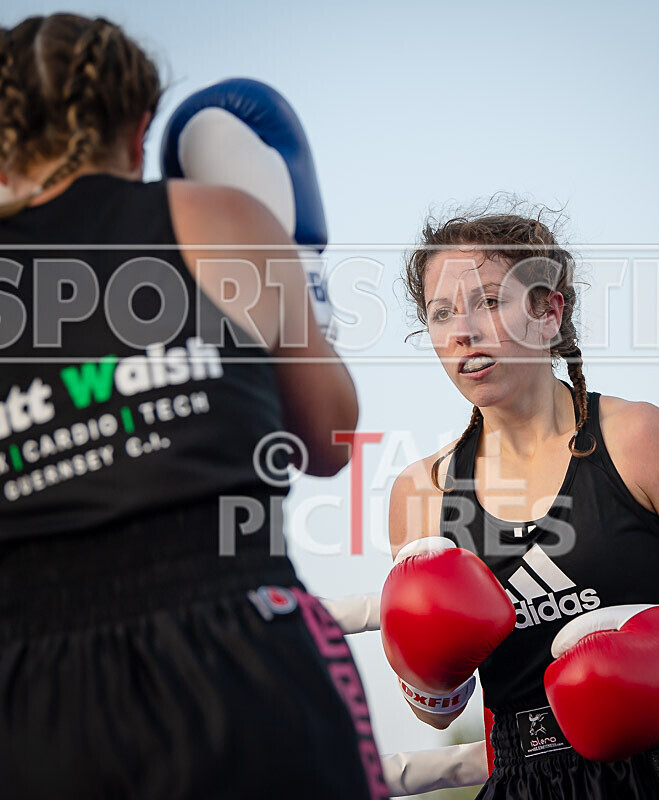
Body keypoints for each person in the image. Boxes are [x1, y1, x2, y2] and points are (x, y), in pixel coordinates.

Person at [0, 14, 386, 800]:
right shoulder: (216, 218)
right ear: (141, 128)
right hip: (238, 648)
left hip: (26, 693)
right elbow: (331, 440)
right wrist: (299, 267)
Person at [381, 204, 659, 799]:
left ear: (549, 312)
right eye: (440, 313)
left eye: (489, 302)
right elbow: (438, 713)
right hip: (525, 779)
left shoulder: (641, 439)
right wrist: (427, 674)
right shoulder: (422, 493)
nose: (462, 331)